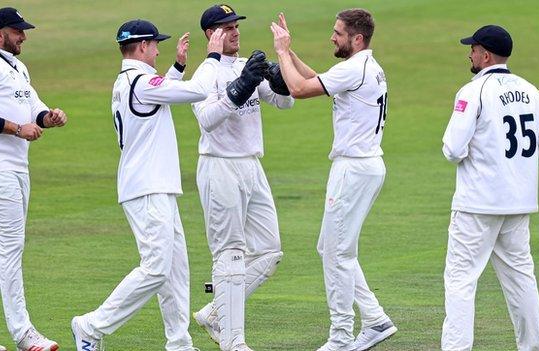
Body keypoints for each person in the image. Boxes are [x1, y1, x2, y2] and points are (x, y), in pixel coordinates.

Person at [70, 19, 225, 351]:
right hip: (146, 187)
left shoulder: (131, 81)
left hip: (155, 186)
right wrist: (212, 56)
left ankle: (179, 344)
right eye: (155, 44)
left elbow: (159, 95)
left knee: (176, 271)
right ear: (142, 46)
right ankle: (91, 326)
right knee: (156, 269)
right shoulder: (140, 81)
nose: (158, 48)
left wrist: (179, 66)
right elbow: (196, 92)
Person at [440, 25, 539, 351]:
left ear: (485, 55)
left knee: (460, 281)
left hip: (477, 206)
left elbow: (452, 149)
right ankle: (532, 347)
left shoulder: (472, 91)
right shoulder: (531, 91)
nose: (469, 53)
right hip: (518, 205)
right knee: (521, 280)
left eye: (472, 48)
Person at [270, 9, 397, 351]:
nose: (332, 37)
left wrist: (281, 53)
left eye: (338, 33)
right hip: (364, 166)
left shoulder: (357, 68)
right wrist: (291, 50)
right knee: (331, 248)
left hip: (353, 169)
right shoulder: (365, 66)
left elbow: (297, 89)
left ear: (357, 39)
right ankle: (374, 319)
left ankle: (341, 337)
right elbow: (319, 79)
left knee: (337, 253)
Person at [0, 7, 67, 351]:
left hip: (15, 166)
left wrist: (49, 117)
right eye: (17, 30)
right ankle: (23, 333)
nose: (24, 36)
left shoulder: (18, 67)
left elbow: (33, 108)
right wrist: (17, 129)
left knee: (0, 245)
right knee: (10, 245)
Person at [190, 4, 294, 351]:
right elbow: (207, 119)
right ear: (211, 34)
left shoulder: (243, 63)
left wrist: (278, 78)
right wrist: (240, 87)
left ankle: (214, 312)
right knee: (230, 254)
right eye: (226, 27)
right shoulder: (205, 73)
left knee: (269, 252)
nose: (234, 31)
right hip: (219, 166)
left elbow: (283, 104)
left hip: (252, 165)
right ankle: (234, 343)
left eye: (235, 25)